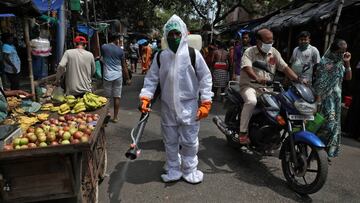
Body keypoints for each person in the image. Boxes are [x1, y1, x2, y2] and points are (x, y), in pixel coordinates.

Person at [139, 15, 213, 184]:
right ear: (166, 35)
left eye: (177, 34)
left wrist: (206, 101)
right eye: (171, 34)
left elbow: (205, 78)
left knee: (189, 141)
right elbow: (151, 80)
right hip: (167, 108)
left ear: (183, 35)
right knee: (170, 141)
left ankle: (189, 170)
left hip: (190, 106)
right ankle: (173, 168)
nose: (174, 37)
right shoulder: (161, 57)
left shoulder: (193, 54)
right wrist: (145, 97)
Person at [238, 28, 300, 144]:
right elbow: (247, 67)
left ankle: (272, 134)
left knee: (285, 103)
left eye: (271, 41)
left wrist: (298, 79)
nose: (270, 44)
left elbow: (285, 67)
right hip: (250, 86)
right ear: (258, 41)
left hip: (267, 89)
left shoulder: (274, 52)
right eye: (267, 41)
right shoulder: (249, 52)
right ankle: (243, 132)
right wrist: (256, 78)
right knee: (251, 101)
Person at [314, 39, 352, 157]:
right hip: (325, 99)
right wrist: (318, 101)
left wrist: (347, 62)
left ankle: (324, 153)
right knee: (328, 124)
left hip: (336, 99)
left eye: (344, 51)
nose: (342, 54)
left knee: (334, 126)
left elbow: (348, 78)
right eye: (340, 51)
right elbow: (319, 83)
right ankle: (316, 149)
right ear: (334, 50)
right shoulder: (325, 62)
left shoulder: (341, 62)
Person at [101, 33, 131, 122]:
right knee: (117, 97)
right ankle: (115, 117)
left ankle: (107, 113)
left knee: (106, 97)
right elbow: (124, 66)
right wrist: (128, 78)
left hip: (107, 75)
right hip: (118, 75)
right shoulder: (120, 50)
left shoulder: (104, 47)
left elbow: (102, 58)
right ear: (116, 40)